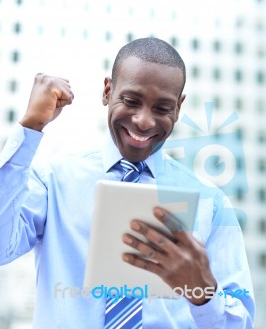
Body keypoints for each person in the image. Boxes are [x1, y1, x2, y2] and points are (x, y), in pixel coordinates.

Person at [0, 38, 255, 328]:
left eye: (162, 108)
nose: (144, 121)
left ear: (179, 108)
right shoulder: (52, 180)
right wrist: (31, 126)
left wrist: (203, 292)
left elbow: (240, 323)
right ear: (108, 91)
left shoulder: (212, 204)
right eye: (131, 101)